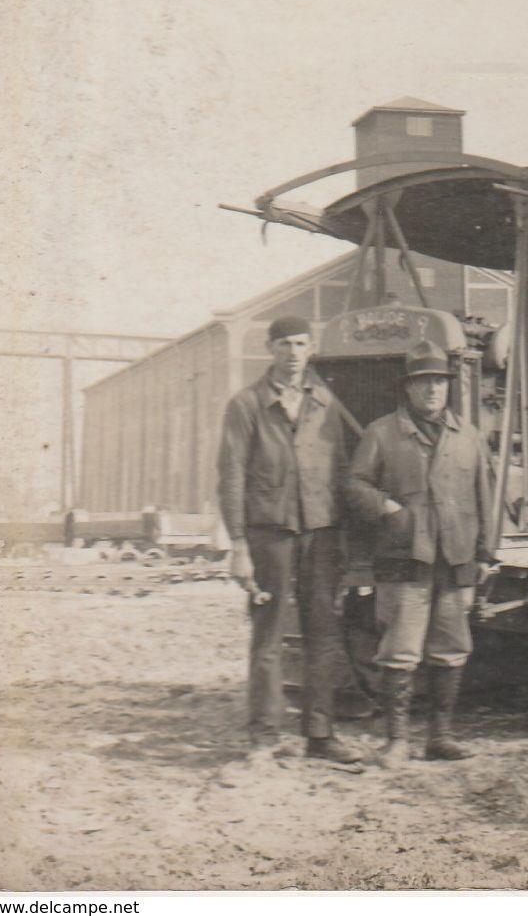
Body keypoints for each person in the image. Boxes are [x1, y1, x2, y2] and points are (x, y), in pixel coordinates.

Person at [216, 315, 364, 765]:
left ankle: (320, 734)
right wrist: (239, 546)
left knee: (323, 635)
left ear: (311, 349)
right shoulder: (246, 406)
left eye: (301, 344)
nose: (293, 353)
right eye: (284, 345)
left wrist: (343, 537)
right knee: (269, 635)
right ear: (270, 349)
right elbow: (231, 476)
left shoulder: (325, 402)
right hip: (270, 536)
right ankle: (264, 735)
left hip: (321, 535)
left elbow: (341, 469)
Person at [345, 340, 494, 767]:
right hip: (403, 558)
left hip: (455, 558)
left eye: (439, 382)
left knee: (451, 647)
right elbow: (354, 485)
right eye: (423, 382)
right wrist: (387, 507)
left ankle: (440, 737)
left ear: (449, 387)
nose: (432, 390)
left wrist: (485, 553)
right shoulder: (381, 433)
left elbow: (484, 497)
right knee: (400, 650)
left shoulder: (467, 437)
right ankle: (396, 741)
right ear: (408, 388)